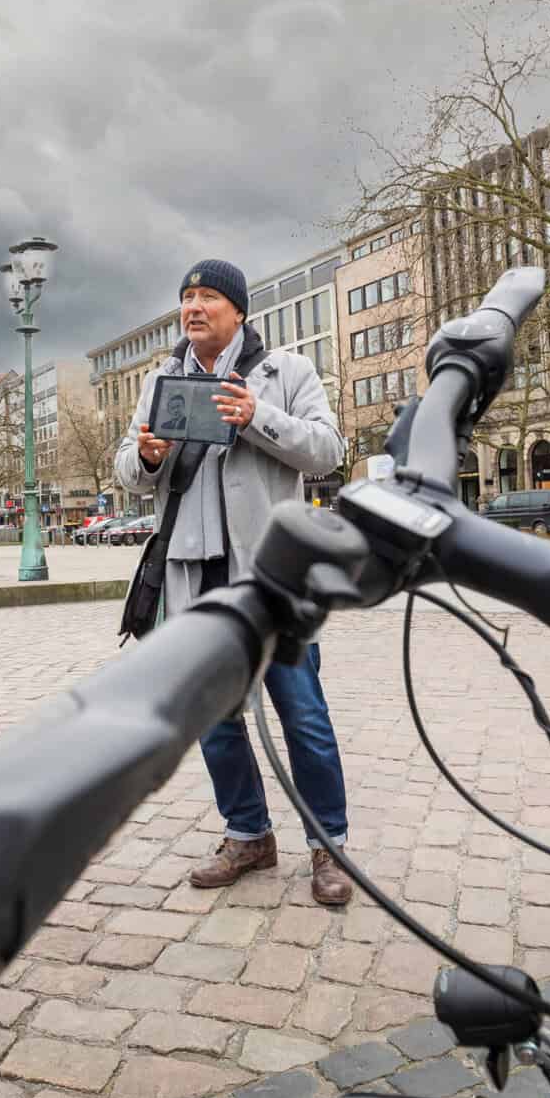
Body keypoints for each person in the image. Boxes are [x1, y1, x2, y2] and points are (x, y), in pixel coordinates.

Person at [115, 258, 354, 905]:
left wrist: (256, 417)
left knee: (302, 713)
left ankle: (327, 847)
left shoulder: (288, 372)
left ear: (239, 311)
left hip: (272, 574)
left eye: (209, 296)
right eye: (186, 296)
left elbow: (330, 450)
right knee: (214, 719)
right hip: (196, 575)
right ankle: (248, 833)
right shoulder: (161, 378)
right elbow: (126, 468)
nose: (193, 307)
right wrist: (145, 455)